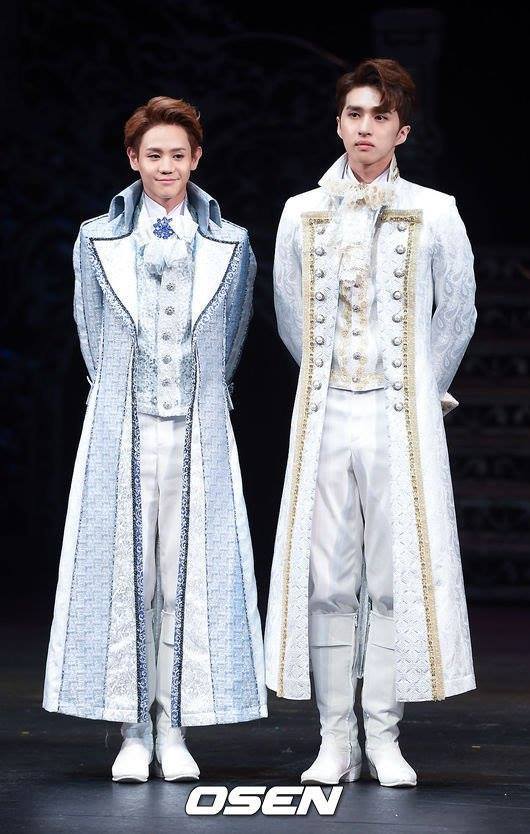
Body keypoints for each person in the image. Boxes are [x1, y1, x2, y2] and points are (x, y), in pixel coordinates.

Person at [265, 58, 476, 787]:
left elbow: (459, 309)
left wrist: (422, 390)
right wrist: (325, 381)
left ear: (401, 131)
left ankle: (383, 737)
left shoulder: (435, 210)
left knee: (391, 579)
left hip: (397, 416)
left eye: (380, 116)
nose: (365, 127)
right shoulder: (302, 211)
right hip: (327, 414)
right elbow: (290, 312)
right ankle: (335, 740)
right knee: (328, 579)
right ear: (338, 123)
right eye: (355, 114)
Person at [43, 96, 267, 783]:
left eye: (177, 154)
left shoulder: (231, 244)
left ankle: (174, 727)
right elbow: (91, 336)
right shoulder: (97, 241)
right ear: (132, 159)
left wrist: (195, 397)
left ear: (196, 159)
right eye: (153, 154)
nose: (165, 166)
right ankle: (132, 730)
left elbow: (230, 341)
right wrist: (125, 395)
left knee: (183, 578)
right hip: (124, 428)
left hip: (197, 429)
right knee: (128, 576)